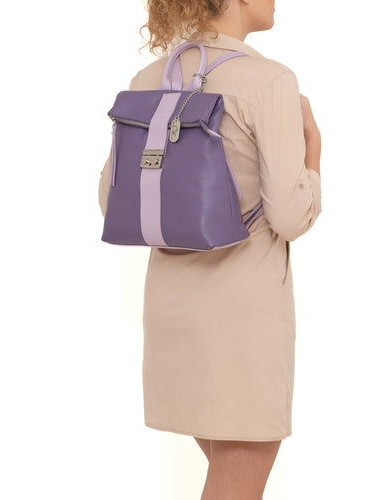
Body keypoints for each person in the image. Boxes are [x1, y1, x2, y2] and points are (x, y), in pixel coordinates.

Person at [98, 1, 322, 498]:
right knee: (240, 470)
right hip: (240, 318)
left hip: (171, 310)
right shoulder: (270, 81)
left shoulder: (147, 80)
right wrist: (313, 149)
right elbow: (290, 216)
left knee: (229, 468)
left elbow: (111, 200)